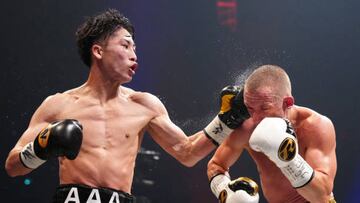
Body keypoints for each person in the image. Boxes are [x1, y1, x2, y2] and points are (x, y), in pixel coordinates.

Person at [5, 9, 251, 203]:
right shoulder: (57, 105)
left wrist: (226, 120)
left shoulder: (145, 105)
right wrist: (39, 149)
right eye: (125, 45)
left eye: (134, 47)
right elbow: (13, 166)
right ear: (98, 51)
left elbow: (187, 153)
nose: (134, 54)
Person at [208, 65, 337, 203]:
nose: (256, 118)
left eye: (264, 108)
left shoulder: (315, 126)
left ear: (287, 102)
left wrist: (288, 160)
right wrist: (225, 192)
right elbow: (216, 165)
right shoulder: (248, 127)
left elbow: (321, 196)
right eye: (250, 108)